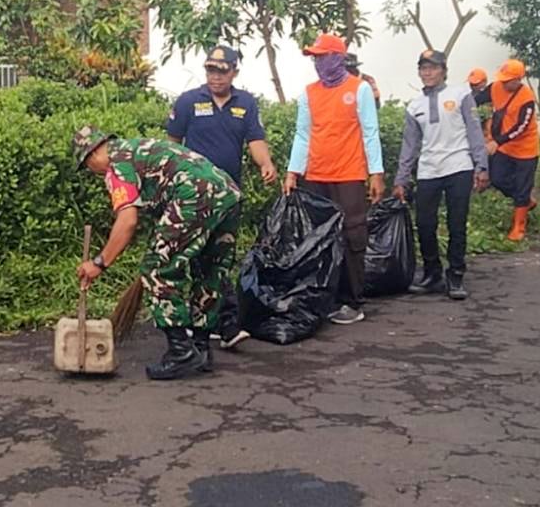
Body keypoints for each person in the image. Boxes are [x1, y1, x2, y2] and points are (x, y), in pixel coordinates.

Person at [72, 126, 241, 380]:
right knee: (209, 268)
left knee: (156, 269)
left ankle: (181, 351)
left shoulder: (117, 167)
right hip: (227, 192)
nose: (92, 171)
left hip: (193, 195)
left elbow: (127, 221)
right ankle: (201, 348)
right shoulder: (138, 149)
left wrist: (99, 263)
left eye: (87, 166)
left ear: (92, 154)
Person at [165, 45, 277, 349]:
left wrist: (265, 164)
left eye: (222, 71)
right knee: (198, 257)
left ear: (234, 72)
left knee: (221, 257)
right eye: (210, 70)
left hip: (229, 197)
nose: (215, 76)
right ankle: (219, 323)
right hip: (194, 197)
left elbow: (256, 141)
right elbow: (171, 146)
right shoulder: (189, 102)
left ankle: (214, 321)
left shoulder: (246, 104)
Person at [283, 33, 385, 325]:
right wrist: (293, 172)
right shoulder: (309, 93)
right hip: (315, 175)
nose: (318, 63)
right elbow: (303, 134)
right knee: (319, 237)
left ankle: (352, 301)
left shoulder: (360, 89)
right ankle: (324, 297)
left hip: (349, 175)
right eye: (315, 58)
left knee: (352, 235)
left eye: (322, 57)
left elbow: (370, 132)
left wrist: (375, 173)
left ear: (338, 58)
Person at [392, 50, 490, 300]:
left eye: (433, 68)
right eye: (423, 68)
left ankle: (455, 275)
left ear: (444, 70)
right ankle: (432, 274)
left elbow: (474, 132)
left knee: (457, 224)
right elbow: (410, 145)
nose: (428, 73)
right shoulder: (415, 106)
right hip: (428, 170)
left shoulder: (460, 95)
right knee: (424, 224)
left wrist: (482, 166)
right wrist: (402, 178)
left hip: (459, 166)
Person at [483, 59, 540, 241]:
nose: (504, 83)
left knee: (523, 186)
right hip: (506, 148)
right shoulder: (495, 87)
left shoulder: (527, 98)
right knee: (497, 179)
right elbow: (475, 100)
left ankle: (519, 228)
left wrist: (497, 142)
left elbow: (521, 126)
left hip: (526, 150)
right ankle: (525, 201)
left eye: (509, 80)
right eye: (503, 79)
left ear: (518, 80)